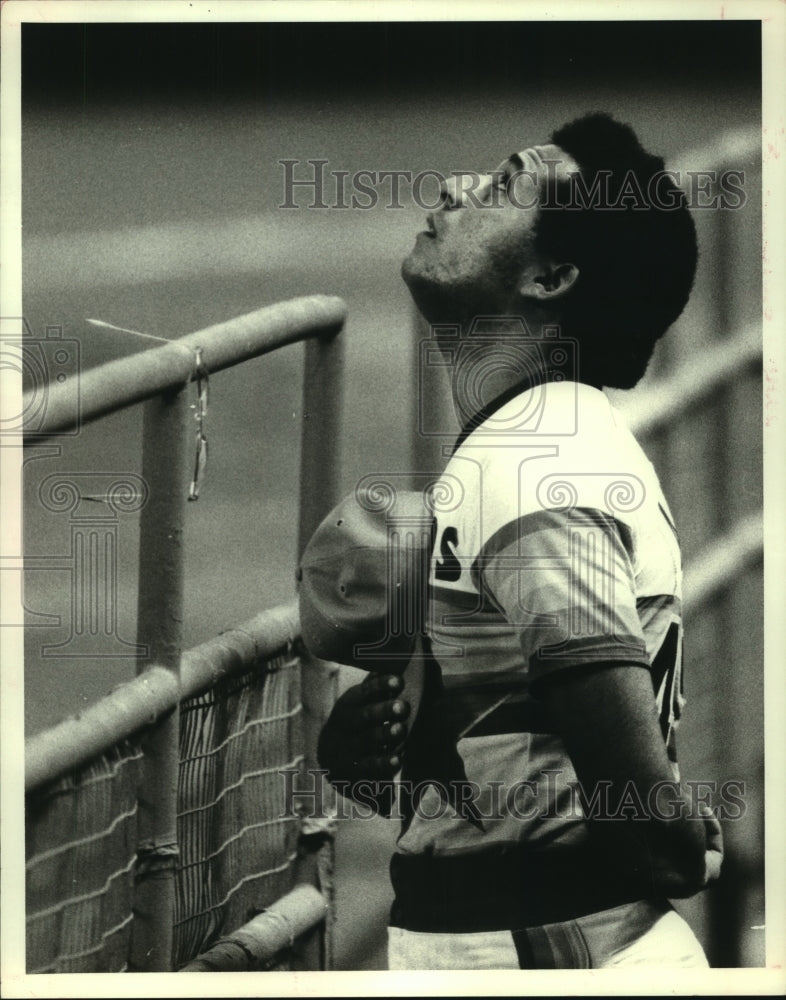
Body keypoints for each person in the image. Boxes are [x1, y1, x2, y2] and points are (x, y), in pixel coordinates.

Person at [313, 112, 723, 970]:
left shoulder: (541, 470)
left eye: (502, 187)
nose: (453, 189)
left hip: (560, 956)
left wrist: (689, 844)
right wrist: (397, 744)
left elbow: (641, 824)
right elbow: (534, 751)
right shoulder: (532, 441)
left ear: (552, 276)